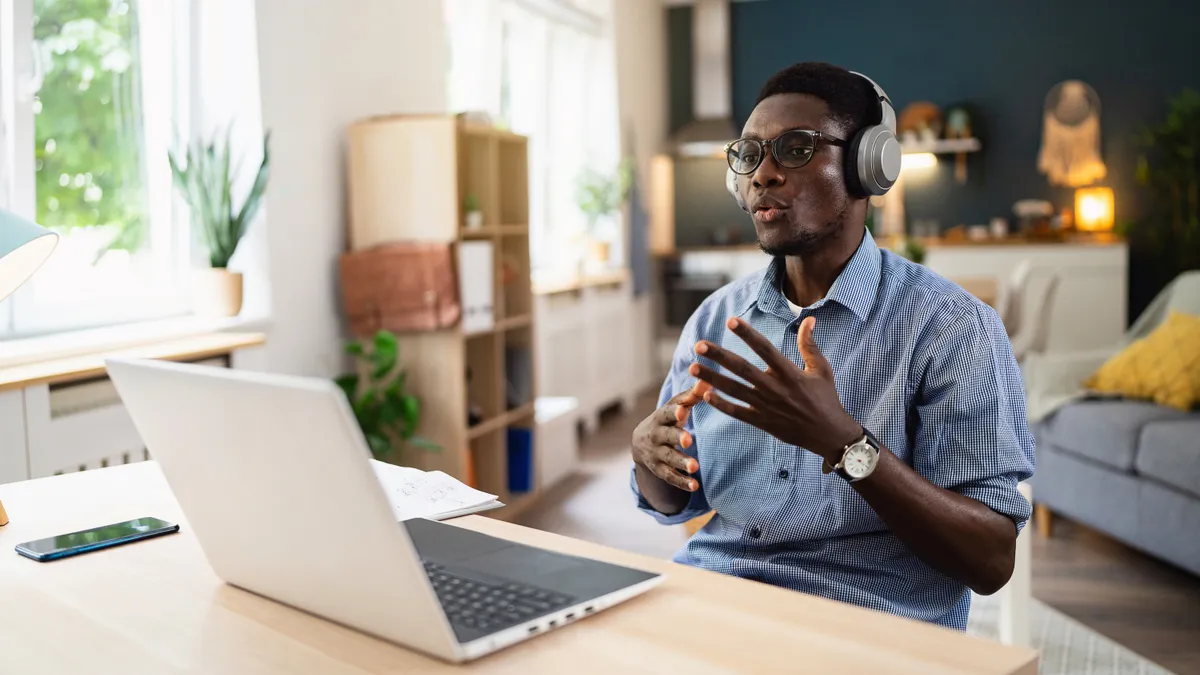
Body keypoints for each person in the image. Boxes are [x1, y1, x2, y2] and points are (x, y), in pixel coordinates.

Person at [630, 62, 1035, 630]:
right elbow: (675, 503)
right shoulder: (715, 320)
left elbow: (991, 560)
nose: (763, 174)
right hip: (716, 604)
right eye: (749, 155)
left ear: (868, 165)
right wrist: (649, 456)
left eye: (796, 149)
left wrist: (846, 446)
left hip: (869, 624)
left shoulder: (954, 328)